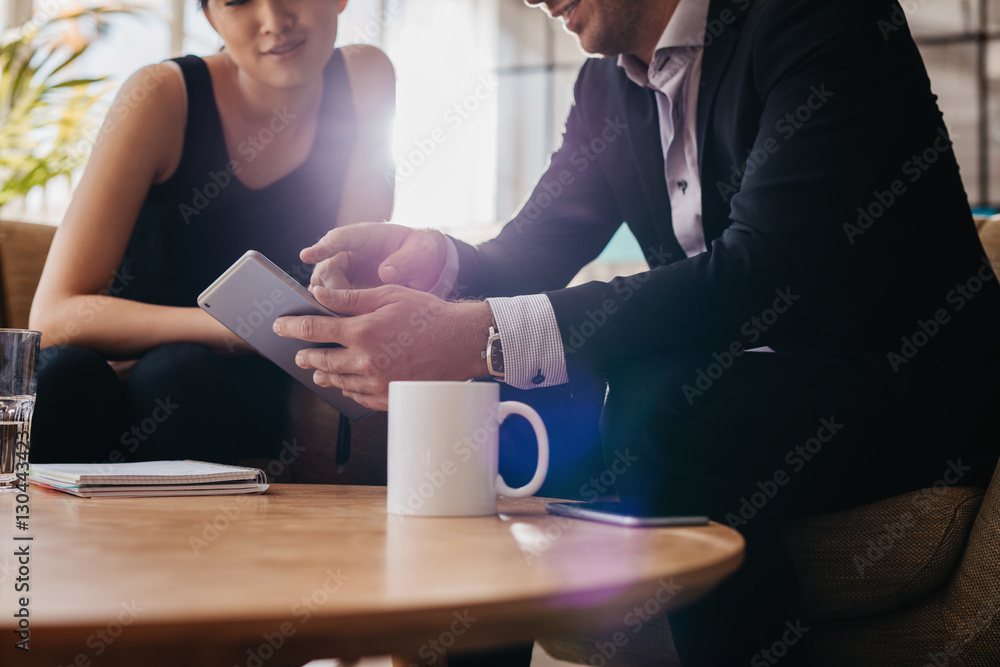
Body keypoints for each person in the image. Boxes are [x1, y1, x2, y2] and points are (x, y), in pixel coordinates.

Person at [272, 0, 1000, 663]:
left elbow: (763, 270)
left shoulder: (818, 20)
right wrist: (440, 257)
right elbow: (532, 251)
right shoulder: (608, 88)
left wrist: (481, 332)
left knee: (664, 401)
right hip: (726, 392)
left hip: (903, 391)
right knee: (505, 410)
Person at [28, 0, 394, 466]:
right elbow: (54, 316)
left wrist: (243, 337)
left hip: (228, 385)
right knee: (62, 373)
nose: (274, 21)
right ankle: (30, 538)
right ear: (208, 16)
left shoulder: (365, 78)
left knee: (177, 374)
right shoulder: (162, 93)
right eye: (238, 0)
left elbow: (351, 285)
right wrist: (242, 327)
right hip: (106, 369)